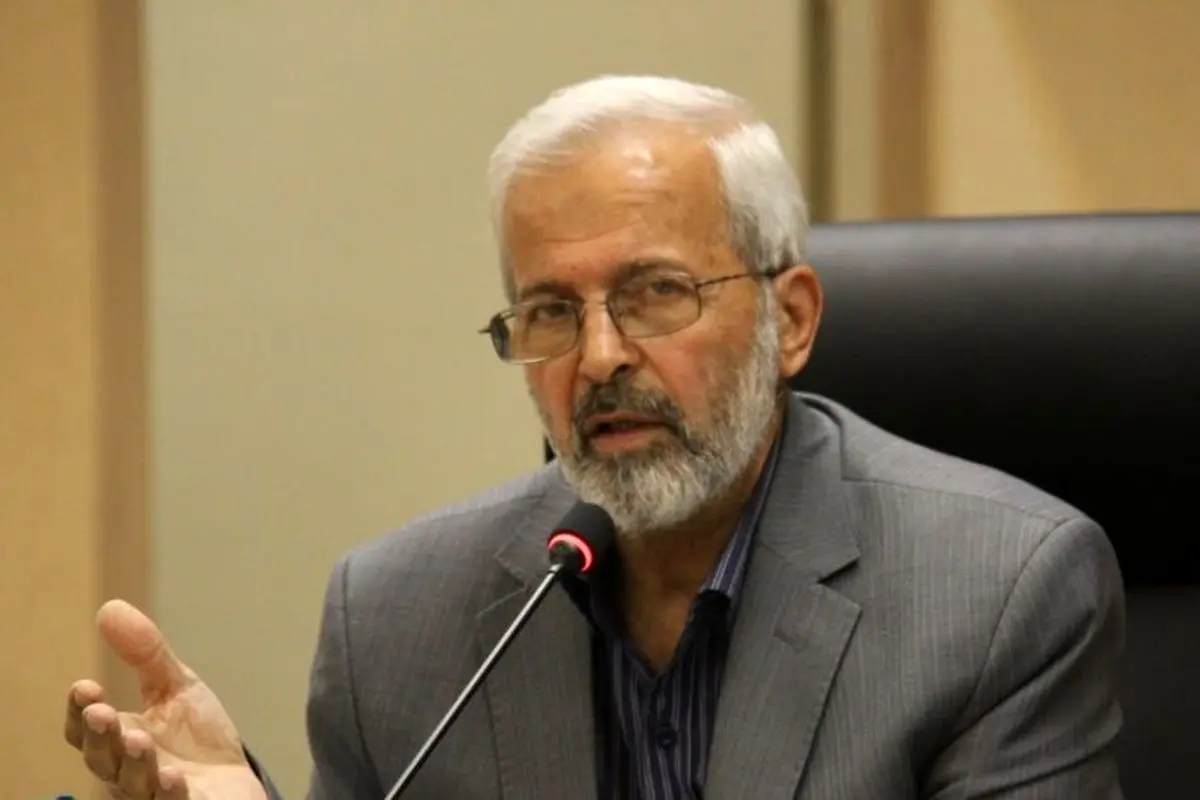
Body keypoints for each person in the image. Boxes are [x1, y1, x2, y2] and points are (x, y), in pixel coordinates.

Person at [64, 74, 1126, 799]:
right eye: (550, 311)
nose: (601, 355)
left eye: (656, 292)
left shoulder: (997, 594)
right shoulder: (392, 620)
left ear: (791, 319)